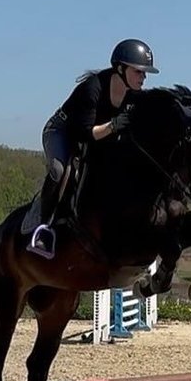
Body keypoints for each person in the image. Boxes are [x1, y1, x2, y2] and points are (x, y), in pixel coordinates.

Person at [28, 38, 159, 258]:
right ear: (120, 68)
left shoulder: (134, 96)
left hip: (97, 136)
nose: (143, 77)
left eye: (144, 73)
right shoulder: (92, 89)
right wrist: (114, 125)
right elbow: (84, 134)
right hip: (62, 132)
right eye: (139, 72)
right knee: (60, 171)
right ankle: (44, 228)